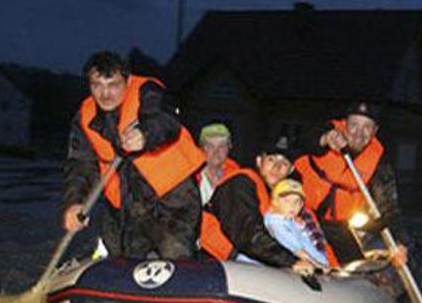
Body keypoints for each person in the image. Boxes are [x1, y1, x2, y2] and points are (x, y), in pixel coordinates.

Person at [62, 51, 205, 259]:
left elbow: (166, 121)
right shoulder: (84, 117)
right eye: (97, 85)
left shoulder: (148, 92)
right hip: (128, 208)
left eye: (113, 85)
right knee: (123, 262)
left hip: (173, 202)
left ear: (127, 81)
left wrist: (145, 135)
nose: (105, 94)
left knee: (176, 253)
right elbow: (80, 165)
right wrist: (74, 202)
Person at [293, 101, 419, 268]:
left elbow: (389, 208)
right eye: (354, 125)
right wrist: (325, 138)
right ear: (344, 124)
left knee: (357, 266)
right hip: (299, 214)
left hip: (337, 226)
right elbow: (305, 140)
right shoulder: (326, 132)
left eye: (367, 127)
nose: (359, 133)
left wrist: (400, 241)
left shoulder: (378, 163)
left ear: (375, 131)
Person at [200, 138, 317, 275]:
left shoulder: (281, 202)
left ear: (290, 170)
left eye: (284, 163)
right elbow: (248, 233)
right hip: (213, 264)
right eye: (271, 160)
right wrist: (291, 261)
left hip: (243, 263)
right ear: (259, 162)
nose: (276, 167)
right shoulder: (241, 183)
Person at [263, 178, 334, 269]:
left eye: (297, 201)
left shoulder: (293, 221)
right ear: (275, 202)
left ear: (301, 205)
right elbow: (298, 251)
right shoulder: (276, 222)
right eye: (287, 201)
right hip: (312, 270)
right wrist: (322, 267)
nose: (292, 205)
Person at [196, 122, 240, 205]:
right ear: (201, 148)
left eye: (222, 146)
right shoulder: (191, 177)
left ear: (229, 147)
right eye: (210, 146)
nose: (216, 151)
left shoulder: (237, 177)